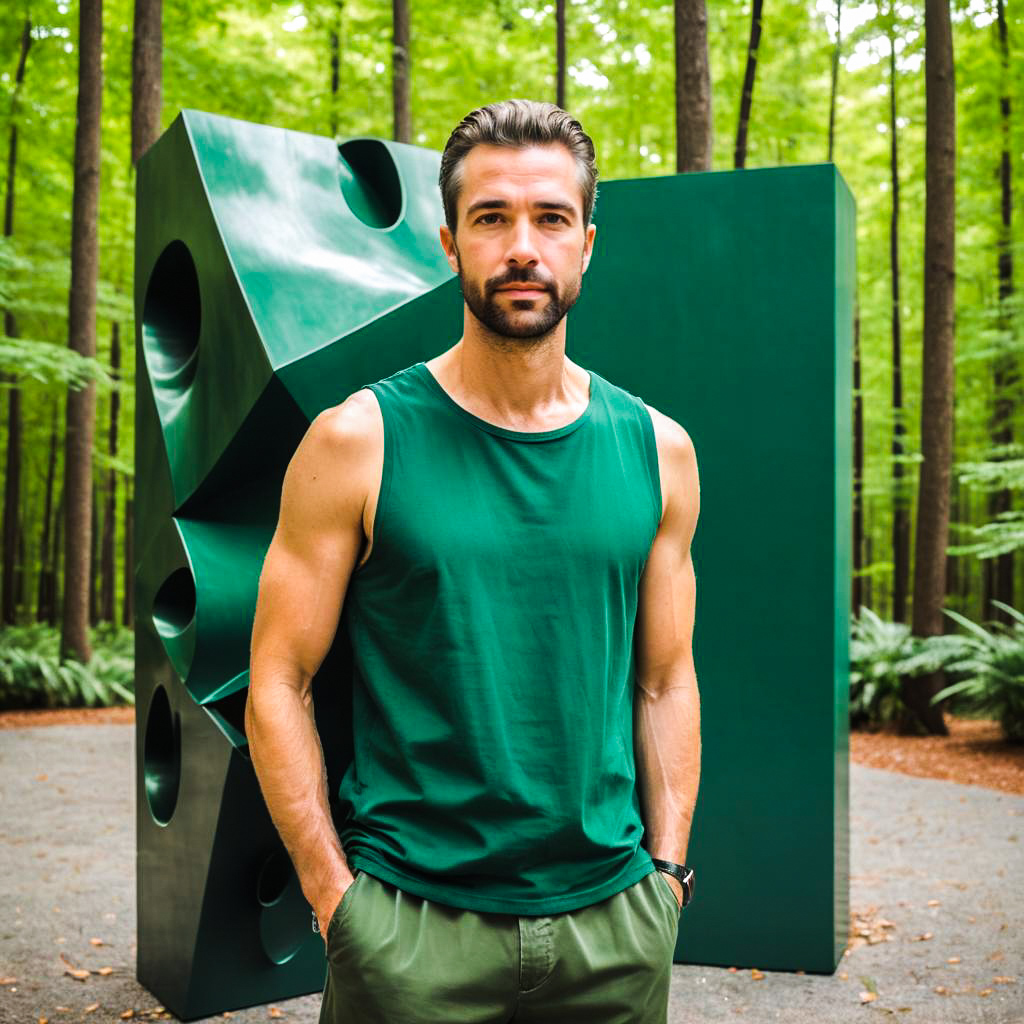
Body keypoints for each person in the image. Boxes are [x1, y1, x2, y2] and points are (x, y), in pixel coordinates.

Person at [246, 98, 701, 1024]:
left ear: (587, 243)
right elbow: (277, 680)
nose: (522, 246)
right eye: (492, 218)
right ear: (451, 243)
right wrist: (340, 905)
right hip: (411, 934)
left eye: (551, 218)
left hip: (612, 930)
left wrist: (665, 880)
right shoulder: (358, 440)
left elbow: (664, 682)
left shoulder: (659, 451)